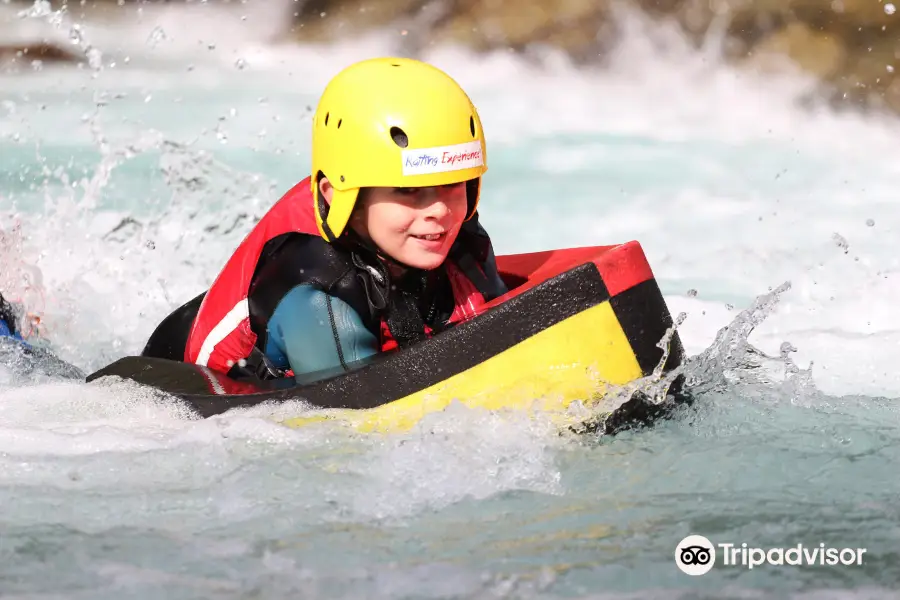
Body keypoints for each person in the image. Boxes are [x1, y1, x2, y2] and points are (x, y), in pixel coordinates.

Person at [142, 57, 510, 383]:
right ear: (339, 196)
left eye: (452, 184)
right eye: (407, 191)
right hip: (172, 391)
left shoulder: (452, 235)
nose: (440, 211)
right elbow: (365, 432)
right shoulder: (318, 298)